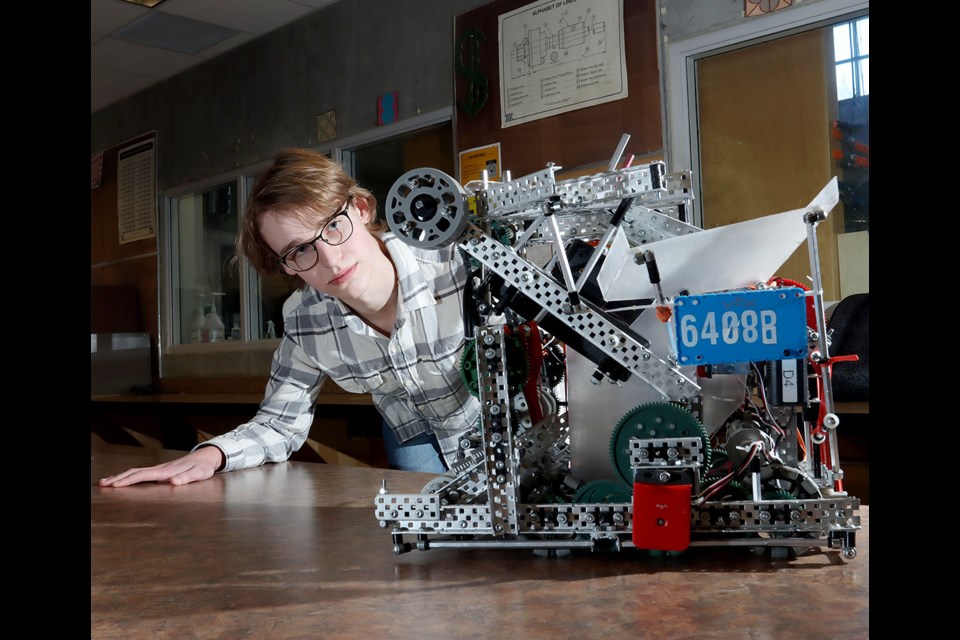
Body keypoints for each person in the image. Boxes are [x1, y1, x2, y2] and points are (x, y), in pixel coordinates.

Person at [100, 148, 481, 487]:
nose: (331, 259)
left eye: (333, 226)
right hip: (411, 431)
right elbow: (280, 422)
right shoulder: (306, 319)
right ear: (288, 267)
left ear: (361, 209)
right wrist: (209, 456)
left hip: (491, 422)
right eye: (300, 250)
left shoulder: (457, 266)